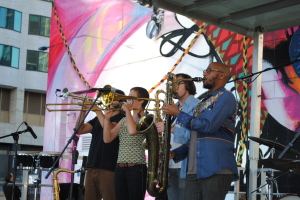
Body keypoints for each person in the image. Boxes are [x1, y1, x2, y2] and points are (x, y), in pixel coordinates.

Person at [162, 62, 239, 200]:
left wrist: (178, 114)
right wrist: (176, 153)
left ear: (221, 75)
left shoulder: (226, 97)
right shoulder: (205, 101)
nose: (204, 73)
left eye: (209, 71)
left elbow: (208, 126)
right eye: (205, 70)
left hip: (215, 167)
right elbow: (197, 136)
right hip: (195, 169)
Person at [155, 73, 199, 200]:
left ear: (188, 85)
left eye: (178, 83)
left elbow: (196, 135)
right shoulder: (174, 105)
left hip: (185, 166)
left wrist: (170, 129)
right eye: (172, 84)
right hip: (169, 165)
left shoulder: (197, 105)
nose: (174, 87)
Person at [76, 89, 126, 200]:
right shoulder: (98, 118)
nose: (110, 100)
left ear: (121, 101)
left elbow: (110, 129)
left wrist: (98, 111)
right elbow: (80, 130)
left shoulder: (122, 119)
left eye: (114, 98)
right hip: (92, 165)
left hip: (109, 167)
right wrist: (83, 111)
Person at [103, 87, 149, 200]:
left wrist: (127, 111)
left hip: (136, 168)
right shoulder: (124, 120)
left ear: (141, 100)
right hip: (120, 168)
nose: (127, 100)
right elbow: (107, 139)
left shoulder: (146, 119)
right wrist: (106, 120)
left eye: (131, 97)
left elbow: (133, 131)